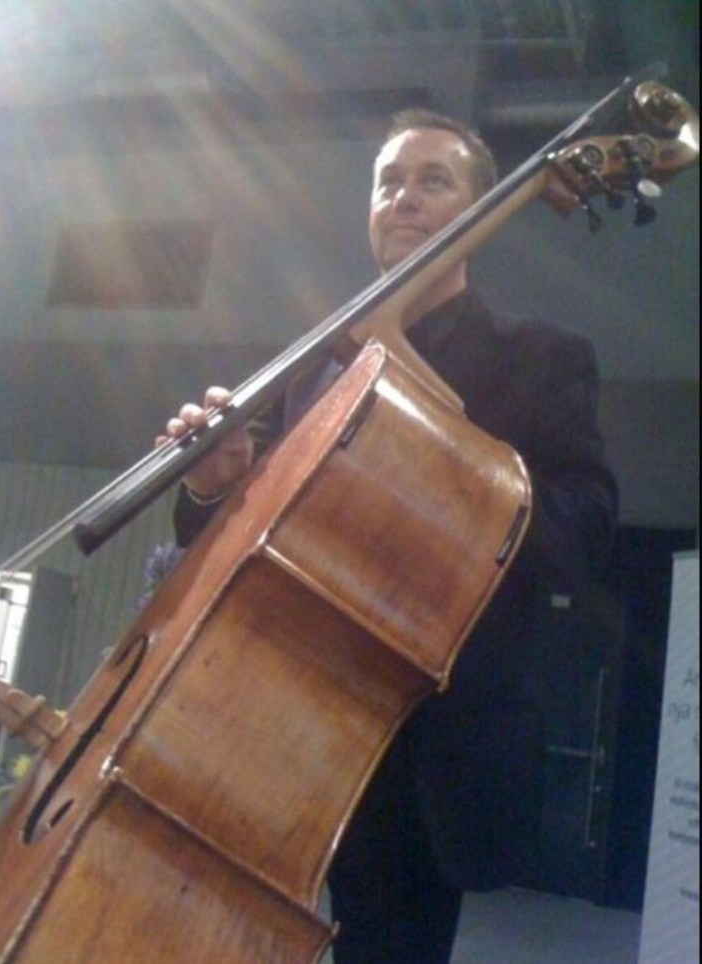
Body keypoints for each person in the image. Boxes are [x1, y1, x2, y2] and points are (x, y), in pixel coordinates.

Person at [156, 109, 619, 964]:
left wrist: (432, 442)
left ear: (482, 212)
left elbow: (582, 530)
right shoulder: (317, 367)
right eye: (388, 182)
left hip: (421, 741)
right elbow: (254, 537)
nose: (404, 198)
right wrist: (213, 486)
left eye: (434, 180)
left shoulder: (540, 357)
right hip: (287, 720)